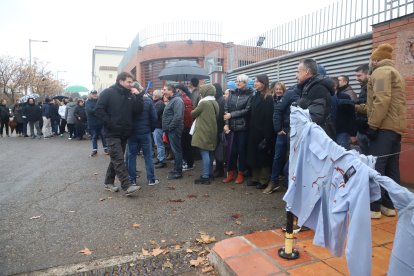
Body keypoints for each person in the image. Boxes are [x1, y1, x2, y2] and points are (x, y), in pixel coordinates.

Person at [366, 44, 406, 218]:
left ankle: (374, 207)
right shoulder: (394, 72)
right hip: (395, 128)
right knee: (392, 168)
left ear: (375, 59)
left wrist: (373, 125)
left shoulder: (381, 72)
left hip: (383, 127)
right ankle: (389, 205)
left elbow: (381, 99)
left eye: (371, 59)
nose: (370, 62)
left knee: (377, 166)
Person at [95, 72, 144, 196]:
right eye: (128, 81)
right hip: (112, 133)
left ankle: (108, 182)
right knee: (118, 158)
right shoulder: (108, 92)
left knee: (116, 158)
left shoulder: (130, 94)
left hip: (125, 132)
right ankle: (127, 186)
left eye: (132, 82)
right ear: (120, 81)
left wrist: (138, 96)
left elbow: (138, 111)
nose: (131, 84)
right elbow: (98, 110)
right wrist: (110, 123)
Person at [222, 74, 253, 184]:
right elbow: (226, 109)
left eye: (240, 81)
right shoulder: (231, 93)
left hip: (243, 127)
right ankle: (230, 173)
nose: (238, 83)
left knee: (241, 151)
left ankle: (240, 173)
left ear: (245, 83)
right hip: (231, 127)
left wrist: (232, 115)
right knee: (231, 151)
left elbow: (247, 110)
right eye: (237, 81)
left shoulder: (250, 95)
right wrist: (226, 124)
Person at [265, 81, 295, 194]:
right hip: (280, 132)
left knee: (290, 157)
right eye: (276, 89)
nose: (278, 91)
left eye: (280, 89)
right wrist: (278, 129)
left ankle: (288, 184)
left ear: (284, 90)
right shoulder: (273, 100)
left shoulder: (289, 99)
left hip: (288, 130)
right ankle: (274, 181)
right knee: (277, 156)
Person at [246, 75, 275, 189]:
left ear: (264, 83)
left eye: (258, 81)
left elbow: (268, 118)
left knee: (263, 156)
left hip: (263, 131)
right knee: (253, 155)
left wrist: (267, 136)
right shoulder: (255, 95)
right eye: (255, 81)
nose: (255, 83)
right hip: (253, 130)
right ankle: (255, 178)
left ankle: (263, 180)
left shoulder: (268, 98)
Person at [296, 58, 335, 138]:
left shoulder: (317, 88)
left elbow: (315, 116)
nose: (296, 75)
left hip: (316, 136)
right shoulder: (308, 86)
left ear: (306, 72)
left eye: (298, 71)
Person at [127, 92, 158, 186]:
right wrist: (150, 129)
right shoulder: (148, 101)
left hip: (132, 133)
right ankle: (151, 179)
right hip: (145, 132)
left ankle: (132, 180)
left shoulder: (128, 101)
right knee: (148, 156)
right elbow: (154, 117)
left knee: (131, 157)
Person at [190, 84, 219, 184]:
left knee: (204, 152)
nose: (201, 92)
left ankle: (205, 176)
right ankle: (210, 174)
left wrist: (195, 106)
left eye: (202, 90)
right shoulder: (215, 102)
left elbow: (193, 113)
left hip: (203, 131)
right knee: (210, 152)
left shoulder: (203, 103)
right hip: (212, 130)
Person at [162, 84, 184, 180]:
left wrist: (170, 127)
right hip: (171, 130)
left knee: (176, 150)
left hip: (174, 130)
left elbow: (178, 116)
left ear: (171, 90)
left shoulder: (177, 100)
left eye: (165, 90)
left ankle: (178, 171)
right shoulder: (172, 100)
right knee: (174, 150)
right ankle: (176, 169)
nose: (163, 92)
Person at [175, 84, 195, 171]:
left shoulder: (185, 100)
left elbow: (188, 115)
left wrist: (184, 127)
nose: (175, 91)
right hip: (185, 126)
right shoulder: (183, 99)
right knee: (185, 145)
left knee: (186, 146)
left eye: (177, 90)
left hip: (185, 127)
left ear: (180, 90)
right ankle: (187, 162)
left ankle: (189, 163)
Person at [335, 76, 356, 150]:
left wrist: (353, 134)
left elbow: (351, 115)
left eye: (339, 80)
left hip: (342, 131)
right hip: (332, 131)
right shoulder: (328, 96)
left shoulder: (346, 96)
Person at [354, 64, 370, 155]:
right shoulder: (363, 88)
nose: (357, 79)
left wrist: (353, 106)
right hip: (362, 130)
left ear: (367, 74)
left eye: (359, 75)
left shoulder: (374, 86)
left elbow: (372, 108)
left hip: (369, 131)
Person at [85, 90, 107, 156]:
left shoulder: (99, 101)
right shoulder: (88, 102)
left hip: (100, 122)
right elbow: (89, 111)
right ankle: (95, 150)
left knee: (103, 136)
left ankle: (106, 149)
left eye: (95, 93)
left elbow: (102, 109)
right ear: (90, 94)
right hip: (92, 122)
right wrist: (97, 110)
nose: (94, 95)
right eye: (93, 94)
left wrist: (95, 110)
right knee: (94, 136)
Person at [212, 83, 226, 178]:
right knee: (217, 149)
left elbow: (220, 115)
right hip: (217, 127)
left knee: (219, 150)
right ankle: (218, 168)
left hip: (220, 128)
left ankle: (220, 170)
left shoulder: (221, 100)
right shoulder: (217, 99)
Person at [152, 89, 167, 168]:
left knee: (159, 144)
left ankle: (162, 160)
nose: (152, 96)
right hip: (158, 126)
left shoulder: (159, 104)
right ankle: (159, 158)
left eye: (154, 95)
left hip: (158, 127)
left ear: (156, 96)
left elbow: (155, 115)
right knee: (158, 144)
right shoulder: (159, 103)